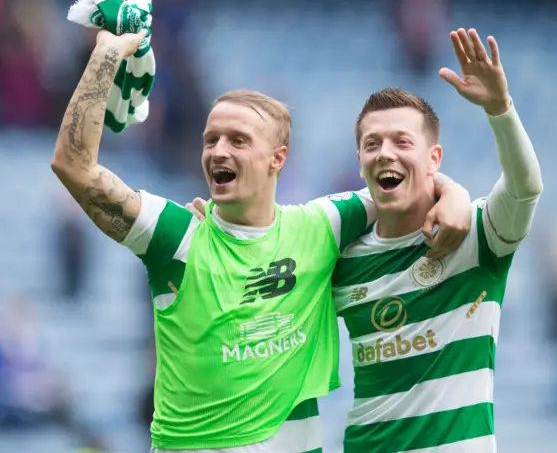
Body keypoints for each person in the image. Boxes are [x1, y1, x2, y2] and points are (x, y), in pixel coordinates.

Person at [51, 28, 471, 453]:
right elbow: (74, 168)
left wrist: (454, 195)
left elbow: (403, 182)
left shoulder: (321, 226)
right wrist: (105, 55)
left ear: (278, 158)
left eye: (238, 140)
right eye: (210, 139)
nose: (218, 151)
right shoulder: (176, 236)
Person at [331, 28, 543, 452]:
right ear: (360, 162)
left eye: (402, 141)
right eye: (372, 144)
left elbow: (525, 188)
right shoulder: (341, 254)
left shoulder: (477, 235)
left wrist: (500, 109)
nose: (385, 153)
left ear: (434, 158)